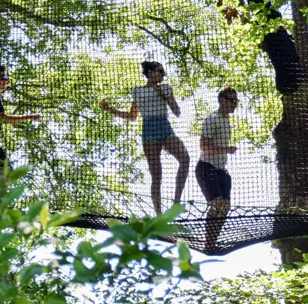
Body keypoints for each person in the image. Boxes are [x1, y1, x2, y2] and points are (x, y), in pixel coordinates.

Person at [100, 61, 190, 213]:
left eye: (163, 72)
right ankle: (159, 215)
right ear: (149, 72)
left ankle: (176, 201)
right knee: (156, 174)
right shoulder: (138, 91)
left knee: (185, 158)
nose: (162, 74)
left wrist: (165, 96)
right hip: (149, 129)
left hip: (164, 126)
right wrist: (111, 110)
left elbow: (177, 112)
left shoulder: (166, 88)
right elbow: (132, 116)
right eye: (159, 71)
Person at [196, 86, 238, 250]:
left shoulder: (226, 121)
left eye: (236, 101)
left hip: (221, 170)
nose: (235, 104)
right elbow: (203, 146)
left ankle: (212, 243)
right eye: (232, 100)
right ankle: (209, 243)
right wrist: (226, 149)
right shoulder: (212, 118)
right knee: (218, 204)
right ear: (222, 100)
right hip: (207, 167)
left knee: (225, 207)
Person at [0, 65, 42, 169]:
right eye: (2, 77)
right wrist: (31, 116)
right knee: (6, 172)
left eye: (6, 77)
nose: (6, 80)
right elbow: (5, 119)